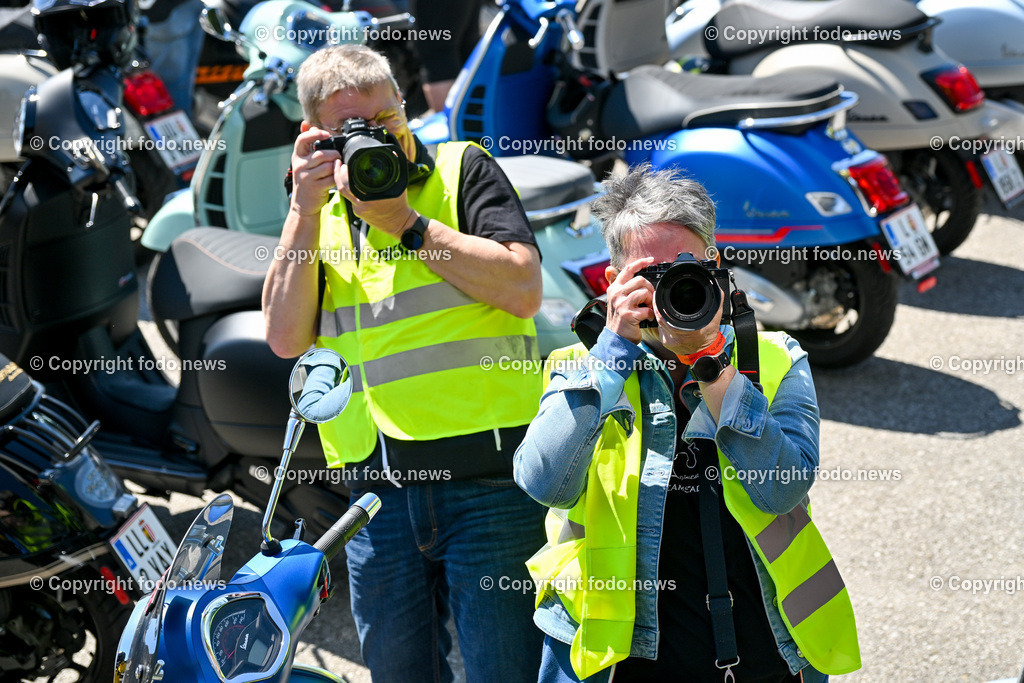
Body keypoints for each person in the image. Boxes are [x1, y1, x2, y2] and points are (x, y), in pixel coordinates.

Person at [262, 44, 547, 682]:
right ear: (314, 136)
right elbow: (284, 338)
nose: (378, 140)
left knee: (506, 671)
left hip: (489, 483)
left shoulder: (460, 169)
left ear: (405, 109)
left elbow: (524, 290)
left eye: (387, 121)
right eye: (351, 131)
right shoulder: (317, 210)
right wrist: (301, 213)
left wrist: (406, 223)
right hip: (375, 495)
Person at [513, 164, 861, 682]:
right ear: (613, 283)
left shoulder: (776, 358)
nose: (673, 288)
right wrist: (610, 356)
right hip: (620, 658)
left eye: (687, 269)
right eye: (650, 277)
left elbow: (781, 491)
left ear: (716, 270)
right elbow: (544, 483)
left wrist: (714, 369)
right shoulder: (578, 369)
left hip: (766, 647)